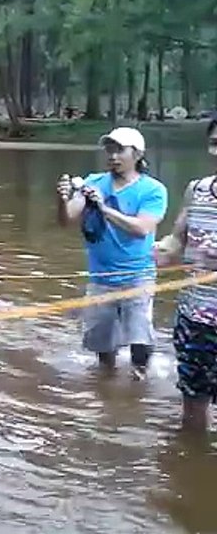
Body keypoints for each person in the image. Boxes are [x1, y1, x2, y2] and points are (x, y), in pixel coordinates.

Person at [56, 126, 167, 374]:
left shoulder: (153, 190)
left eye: (119, 151)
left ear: (137, 155)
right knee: (102, 344)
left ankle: (140, 375)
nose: (113, 156)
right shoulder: (93, 182)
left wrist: (104, 209)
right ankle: (107, 384)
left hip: (138, 276)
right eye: (109, 150)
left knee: (140, 338)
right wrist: (62, 199)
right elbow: (67, 219)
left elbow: (141, 228)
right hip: (100, 276)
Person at [155, 116, 217, 430]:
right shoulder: (197, 190)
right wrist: (161, 251)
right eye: (216, 143)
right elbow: (178, 238)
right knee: (193, 406)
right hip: (194, 319)